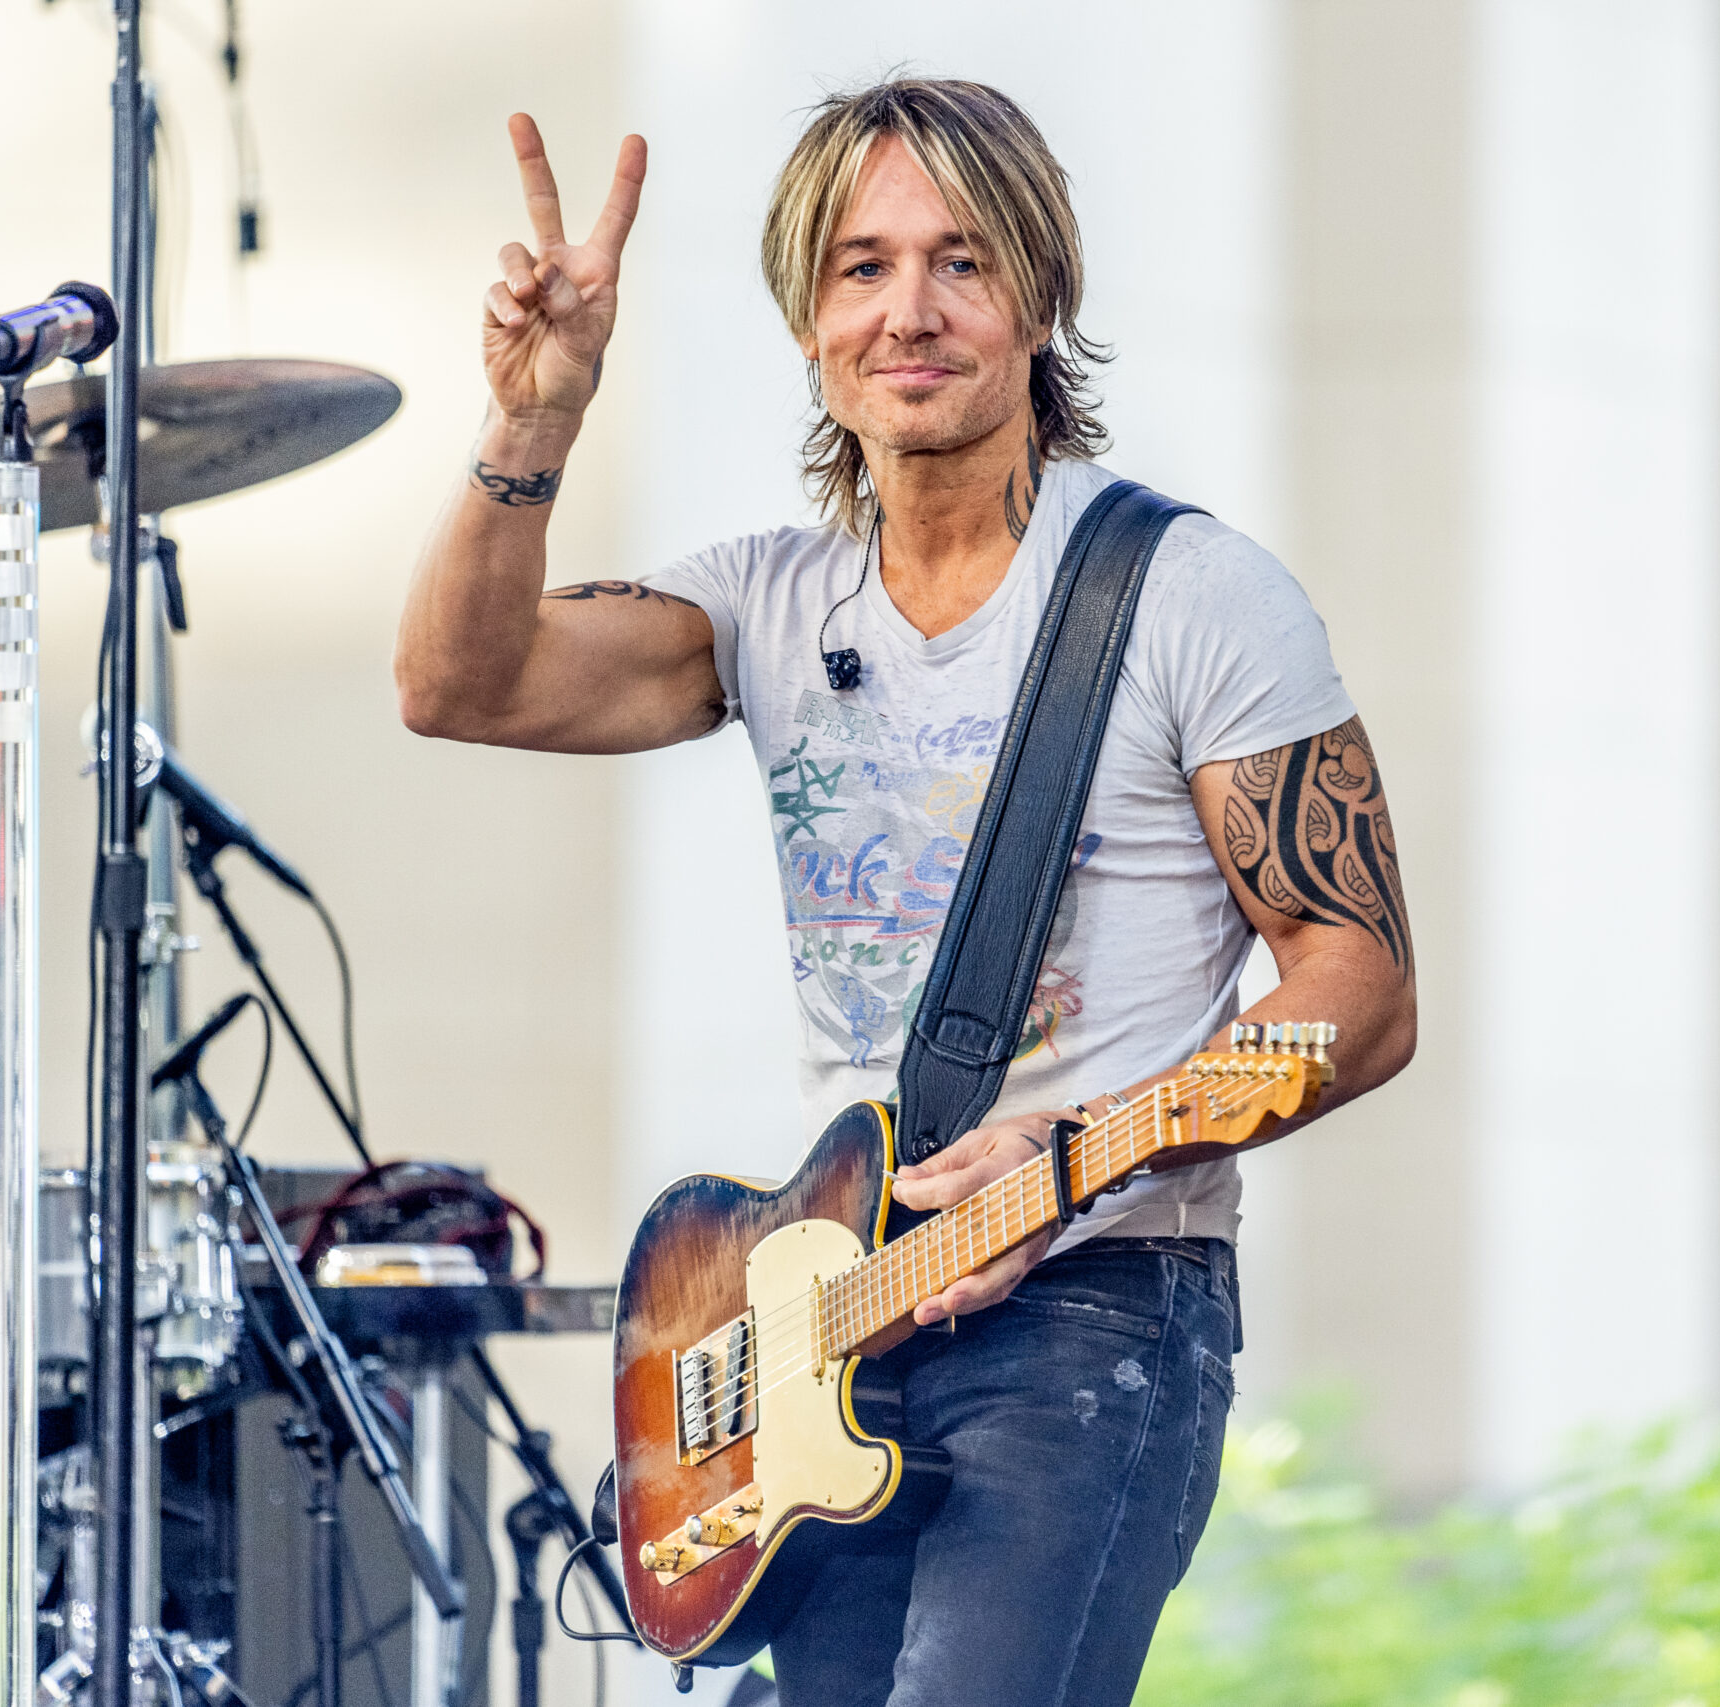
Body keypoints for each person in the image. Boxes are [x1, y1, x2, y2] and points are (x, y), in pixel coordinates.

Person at [398, 78, 1417, 1707]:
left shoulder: (1190, 594)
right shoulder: (768, 604)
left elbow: (1357, 992)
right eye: (863, 267)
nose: (912, 311)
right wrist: (535, 420)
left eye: (961, 260)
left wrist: (1073, 1153)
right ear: (809, 316)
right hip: (838, 1327)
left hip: (1098, 1308)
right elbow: (461, 684)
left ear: (1039, 294)